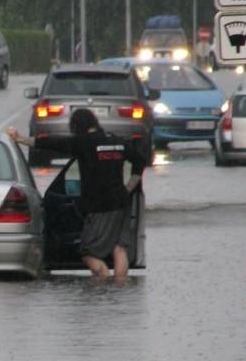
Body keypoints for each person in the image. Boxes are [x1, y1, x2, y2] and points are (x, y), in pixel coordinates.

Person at [8, 108, 145, 280]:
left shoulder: (84, 142)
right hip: (122, 203)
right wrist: (128, 188)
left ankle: (103, 283)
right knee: (119, 247)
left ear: (77, 126)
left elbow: (52, 143)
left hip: (100, 206)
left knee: (88, 252)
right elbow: (140, 161)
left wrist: (21, 139)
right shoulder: (117, 141)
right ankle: (119, 291)